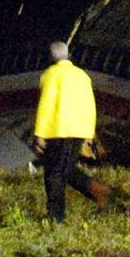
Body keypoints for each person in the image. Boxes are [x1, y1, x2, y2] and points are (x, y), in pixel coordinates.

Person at [32, 41, 109, 222]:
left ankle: (56, 216)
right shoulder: (82, 76)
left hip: (58, 129)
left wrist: (40, 134)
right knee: (64, 169)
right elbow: (90, 104)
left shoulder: (50, 75)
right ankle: (97, 190)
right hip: (78, 130)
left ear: (51, 57)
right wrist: (89, 132)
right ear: (69, 55)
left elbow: (46, 105)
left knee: (54, 174)